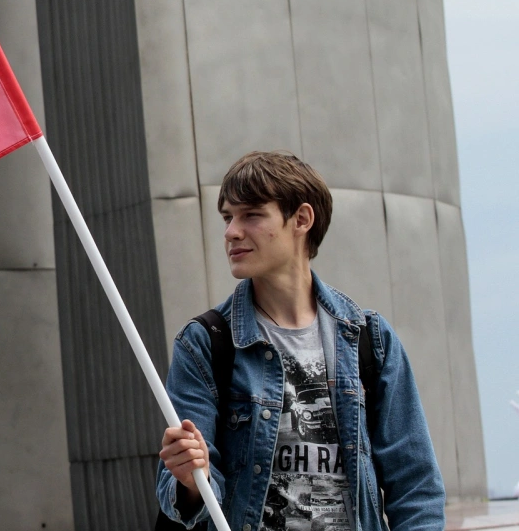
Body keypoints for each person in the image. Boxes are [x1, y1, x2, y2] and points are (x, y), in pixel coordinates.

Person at [155, 152, 445, 530]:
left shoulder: (369, 340)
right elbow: (181, 499)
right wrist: (190, 477)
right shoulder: (205, 343)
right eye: (228, 217)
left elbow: (415, 485)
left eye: (251, 215)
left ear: (302, 219)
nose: (231, 232)